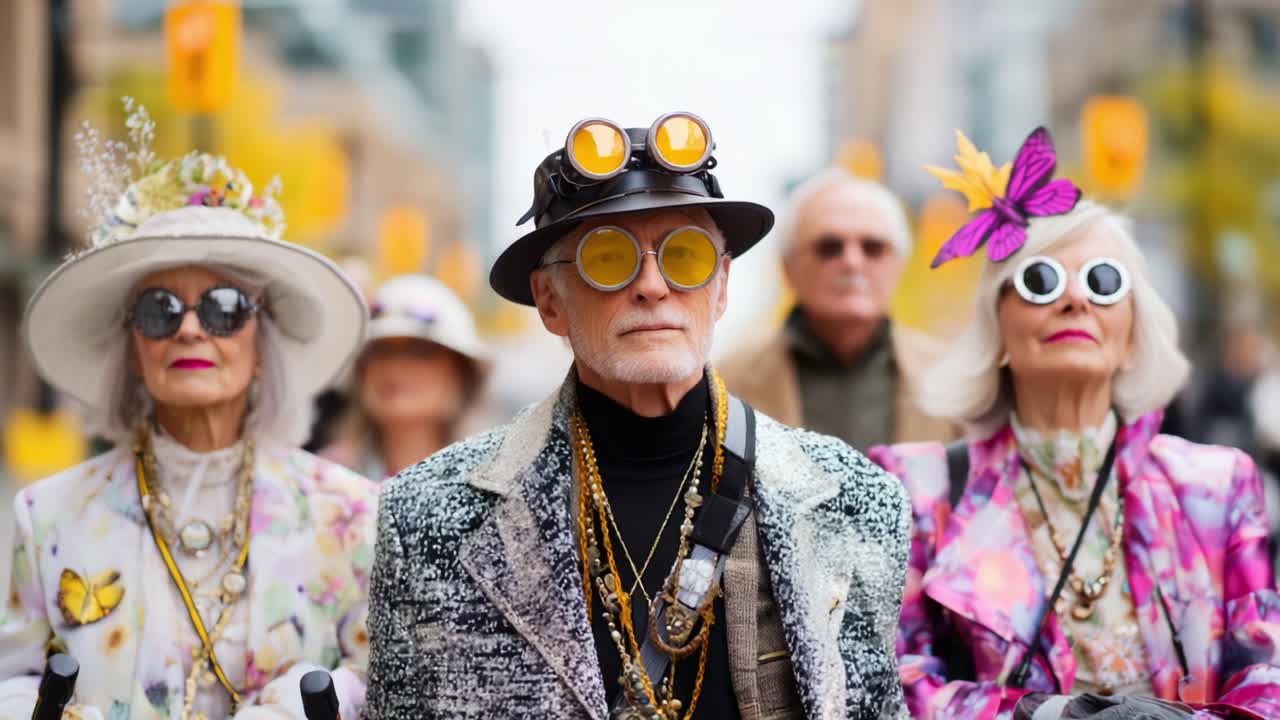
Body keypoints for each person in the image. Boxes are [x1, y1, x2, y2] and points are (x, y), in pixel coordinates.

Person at [365, 113, 911, 719]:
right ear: (550, 301)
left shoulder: (857, 502)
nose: (653, 285)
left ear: (722, 286)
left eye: (685, 255)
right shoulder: (426, 516)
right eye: (607, 259)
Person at [868, 127, 1280, 719]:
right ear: (999, 329)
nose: (1075, 302)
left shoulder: (1216, 487)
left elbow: (1265, 687)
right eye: (1041, 282)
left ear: (1133, 333)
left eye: (1104, 282)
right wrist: (1053, 715)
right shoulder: (917, 488)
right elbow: (896, 687)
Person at [0, 101, 377, 719]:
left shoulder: (351, 510)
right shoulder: (47, 514)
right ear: (132, 347)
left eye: (225, 308)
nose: (192, 331)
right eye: (159, 309)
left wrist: (295, 707)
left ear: (261, 344)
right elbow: (14, 675)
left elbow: (379, 676)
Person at [721, 169, 956, 449]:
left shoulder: (956, 381)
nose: (853, 262)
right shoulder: (724, 386)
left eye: (873, 247)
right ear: (787, 267)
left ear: (899, 265)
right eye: (829, 247)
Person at [322, 274, 489, 480]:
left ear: (462, 374)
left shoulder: (493, 484)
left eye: (421, 351)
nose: (395, 367)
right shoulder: (324, 482)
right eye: (380, 351)